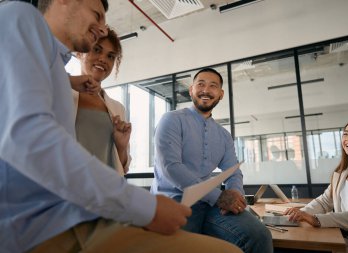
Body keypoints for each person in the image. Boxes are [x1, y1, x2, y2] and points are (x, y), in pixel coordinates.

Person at [0, 1, 243, 253]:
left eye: (111, 56)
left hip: (87, 213)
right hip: (45, 225)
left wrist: (122, 148)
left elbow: (118, 166)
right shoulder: (21, 17)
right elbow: (33, 142)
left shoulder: (68, 81)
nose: (103, 29)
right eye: (96, 14)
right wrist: (145, 207)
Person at [151, 67, 273, 253]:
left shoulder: (223, 136)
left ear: (221, 94)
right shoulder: (172, 120)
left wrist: (235, 197)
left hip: (208, 205)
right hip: (173, 203)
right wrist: (219, 197)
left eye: (213, 86)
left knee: (259, 235)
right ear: (191, 89)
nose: (206, 90)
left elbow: (233, 172)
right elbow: (171, 168)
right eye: (200, 84)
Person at [285, 119, 348, 253]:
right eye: (345, 134)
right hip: (341, 237)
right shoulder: (341, 173)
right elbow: (324, 201)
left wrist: (316, 219)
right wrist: (302, 213)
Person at [71, 27, 131, 175]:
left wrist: (121, 147)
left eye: (110, 56)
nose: (103, 59)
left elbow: (123, 167)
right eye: (97, 50)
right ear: (79, 53)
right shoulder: (60, 94)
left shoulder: (118, 108)